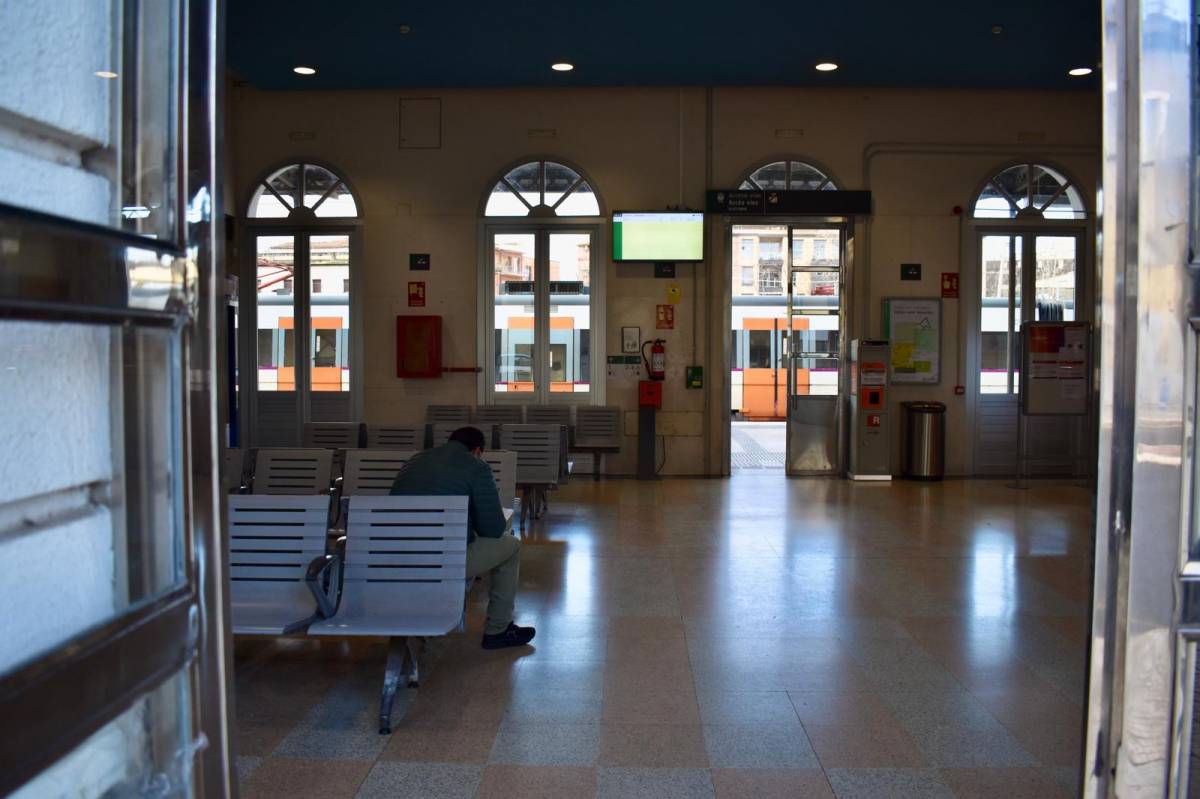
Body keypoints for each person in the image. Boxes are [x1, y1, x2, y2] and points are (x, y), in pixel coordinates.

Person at [389, 426, 536, 650]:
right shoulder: (476, 466)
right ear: (477, 450)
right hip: (442, 560)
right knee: (512, 545)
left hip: (392, 557)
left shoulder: (415, 460)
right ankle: (498, 629)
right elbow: (494, 528)